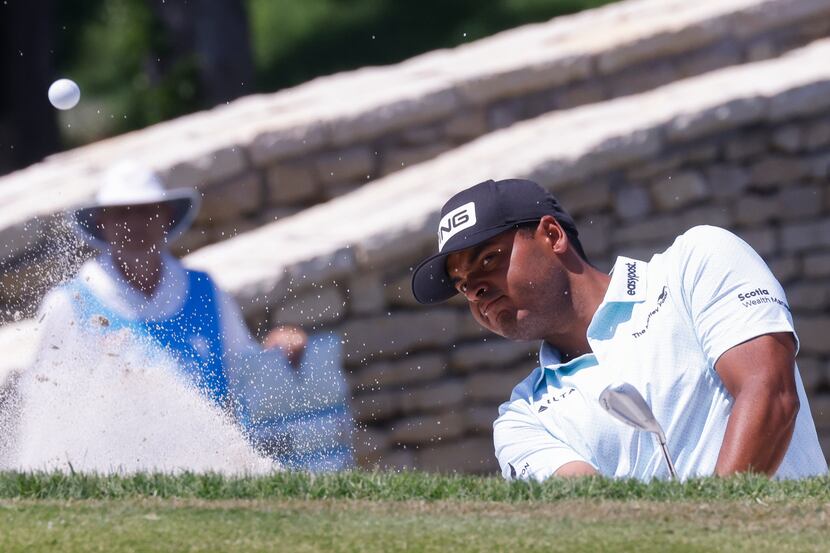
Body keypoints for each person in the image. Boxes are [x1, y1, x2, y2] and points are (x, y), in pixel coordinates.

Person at [411, 178, 828, 480]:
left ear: (552, 235)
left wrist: (711, 535)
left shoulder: (695, 264)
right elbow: (595, 522)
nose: (477, 289)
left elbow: (770, 396)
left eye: (489, 260)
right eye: (464, 285)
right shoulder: (521, 421)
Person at [34, 163, 354, 470]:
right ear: (103, 223)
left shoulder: (206, 291)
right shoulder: (69, 304)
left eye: (146, 211)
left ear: (165, 217)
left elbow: (245, 372)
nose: (135, 224)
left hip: (211, 466)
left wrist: (277, 347)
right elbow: (48, 407)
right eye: (122, 213)